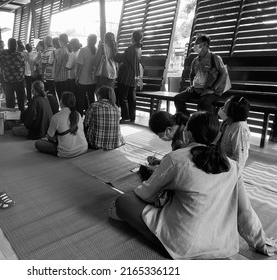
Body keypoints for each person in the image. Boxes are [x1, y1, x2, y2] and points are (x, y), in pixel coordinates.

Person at [110, 111, 277, 259]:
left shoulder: (176, 158)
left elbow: (146, 194)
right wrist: (261, 242)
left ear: (188, 135)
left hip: (184, 244)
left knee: (123, 201)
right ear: (217, 136)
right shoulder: (232, 165)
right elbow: (245, 210)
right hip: (220, 245)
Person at [174, 33, 227, 115]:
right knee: (178, 98)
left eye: (197, 42)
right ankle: (184, 119)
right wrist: (191, 85)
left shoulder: (215, 58)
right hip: (197, 90)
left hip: (212, 91)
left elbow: (223, 74)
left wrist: (212, 89)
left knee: (204, 103)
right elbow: (192, 75)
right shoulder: (195, 60)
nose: (195, 45)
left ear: (205, 44)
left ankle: (207, 124)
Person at [35, 91, 88, 158]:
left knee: (38, 143)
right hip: (83, 148)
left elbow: (49, 136)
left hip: (67, 152)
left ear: (61, 102)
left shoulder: (56, 117)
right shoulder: (78, 114)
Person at [84, 86, 125, 150]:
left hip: (96, 143)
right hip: (115, 143)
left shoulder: (94, 106)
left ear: (99, 95)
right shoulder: (116, 107)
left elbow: (86, 124)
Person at [115, 30, 143, 123]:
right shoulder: (139, 49)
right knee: (132, 98)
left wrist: (115, 52)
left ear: (133, 38)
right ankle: (132, 117)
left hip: (126, 77)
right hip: (135, 77)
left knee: (123, 98)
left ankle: (125, 117)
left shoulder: (130, 49)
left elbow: (120, 58)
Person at [218, 95, 251, 171]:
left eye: (227, 103)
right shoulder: (229, 121)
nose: (224, 104)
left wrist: (233, 175)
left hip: (228, 168)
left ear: (232, 110)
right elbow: (221, 113)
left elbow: (240, 158)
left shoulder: (239, 129)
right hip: (221, 160)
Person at [0, 38, 26, 113]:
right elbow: (23, 66)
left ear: (8, 45)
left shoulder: (3, 55)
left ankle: (11, 118)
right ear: (16, 45)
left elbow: (1, 66)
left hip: (8, 81)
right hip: (19, 80)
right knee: (21, 100)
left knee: (10, 100)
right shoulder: (20, 55)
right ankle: (22, 116)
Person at [76, 34, 98, 116]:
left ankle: (80, 114)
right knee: (91, 97)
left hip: (83, 79)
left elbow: (80, 65)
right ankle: (91, 113)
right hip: (93, 80)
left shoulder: (83, 50)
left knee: (81, 97)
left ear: (88, 40)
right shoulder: (97, 50)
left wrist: (77, 76)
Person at [54, 34, 69, 101]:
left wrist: (55, 75)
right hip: (66, 76)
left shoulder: (61, 51)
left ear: (60, 40)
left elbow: (59, 64)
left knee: (61, 96)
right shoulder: (68, 49)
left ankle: (63, 110)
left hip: (60, 76)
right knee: (66, 96)